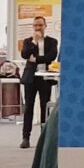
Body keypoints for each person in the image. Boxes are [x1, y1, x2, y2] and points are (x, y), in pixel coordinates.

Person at [19, 16, 59, 148]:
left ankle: (44, 137)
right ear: (33, 27)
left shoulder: (52, 41)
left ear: (45, 26)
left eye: (40, 25)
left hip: (45, 78)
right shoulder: (28, 41)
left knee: (44, 107)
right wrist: (34, 42)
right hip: (31, 78)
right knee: (28, 107)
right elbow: (25, 55)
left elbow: (51, 56)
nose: (38, 28)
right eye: (35, 25)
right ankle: (26, 137)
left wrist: (35, 59)